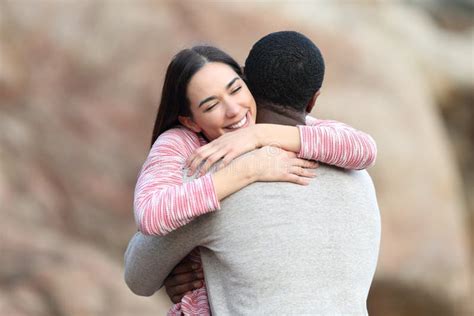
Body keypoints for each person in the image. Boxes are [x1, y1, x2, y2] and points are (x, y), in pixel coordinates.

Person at [125, 31, 380, 315]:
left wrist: (257, 137)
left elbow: (138, 276)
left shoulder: (211, 177)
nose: (233, 111)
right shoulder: (359, 179)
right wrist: (248, 168)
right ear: (313, 100)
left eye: (235, 90)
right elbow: (152, 213)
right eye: (210, 105)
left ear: (248, 83)